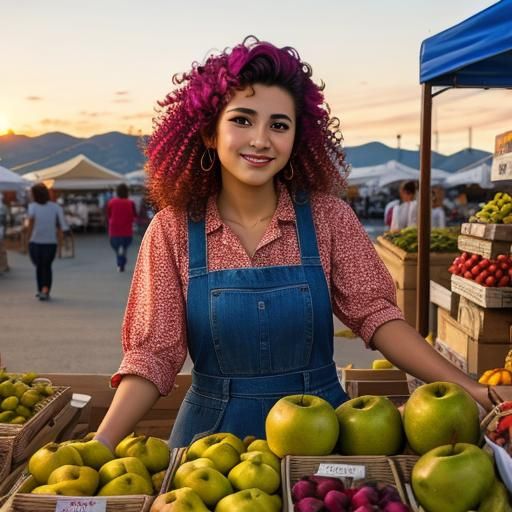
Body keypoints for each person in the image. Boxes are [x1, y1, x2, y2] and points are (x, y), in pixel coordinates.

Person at [94, 37, 509, 451]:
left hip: (323, 439)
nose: (260, 139)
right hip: (210, 446)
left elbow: (378, 318)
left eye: (278, 125)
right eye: (241, 120)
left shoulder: (329, 218)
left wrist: (469, 389)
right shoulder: (173, 230)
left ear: (297, 139)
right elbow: (152, 357)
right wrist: (103, 442)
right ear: (208, 132)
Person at [26, 183, 68, 300]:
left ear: (35, 195)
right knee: (43, 266)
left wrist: (27, 240)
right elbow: (61, 226)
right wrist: (60, 243)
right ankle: (42, 289)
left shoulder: (33, 207)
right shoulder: (55, 207)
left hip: (36, 242)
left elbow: (30, 225)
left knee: (42, 266)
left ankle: (44, 289)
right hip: (50, 243)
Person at [106, 183, 137, 272]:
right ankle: (121, 261)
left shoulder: (111, 202)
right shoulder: (131, 203)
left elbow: (108, 215)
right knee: (124, 247)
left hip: (114, 231)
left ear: (117, 192)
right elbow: (134, 216)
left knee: (117, 248)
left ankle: (120, 262)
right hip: (127, 231)